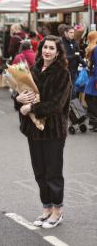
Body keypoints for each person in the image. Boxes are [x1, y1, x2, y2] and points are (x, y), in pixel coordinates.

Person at [15, 35, 72, 229]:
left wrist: (31, 108)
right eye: (45, 47)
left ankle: (57, 211)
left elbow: (57, 105)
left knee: (53, 172)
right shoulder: (34, 69)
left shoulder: (63, 74)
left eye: (52, 48)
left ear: (58, 52)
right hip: (34, 130)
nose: (47, 51)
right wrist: (19, 99)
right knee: (39, 171)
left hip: (53, 130)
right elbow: (22, 94)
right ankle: (46, 208)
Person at [62, 26, 86, 99]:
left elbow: (78, 54)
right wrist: (74, 56)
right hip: (64, 70)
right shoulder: (61, 42)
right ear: (65, 33)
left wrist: (84, 63)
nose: (72, 34)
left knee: (73, 91)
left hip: (74, 70)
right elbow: (62, 57)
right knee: (65, 90)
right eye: (70, 32)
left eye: (73, 32)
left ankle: (72, 108)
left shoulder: (75, 42)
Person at [85, 31, 97, 132]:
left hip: (95, 77)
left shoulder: (95, 49)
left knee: (88, 97)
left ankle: (95, 121)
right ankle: (94, 122)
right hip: (94, 76)